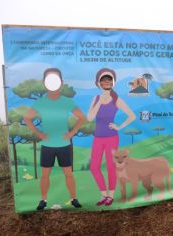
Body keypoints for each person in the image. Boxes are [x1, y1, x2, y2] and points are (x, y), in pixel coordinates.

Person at [24, 68, 85, 211]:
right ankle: (43, 200)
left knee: (68, 174)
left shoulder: (67, 101)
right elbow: (27, 118)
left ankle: (74, 199)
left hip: (64, 145)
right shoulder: (40, 102)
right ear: (44, 83)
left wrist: (72, 133)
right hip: (47, 145)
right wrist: (38, 133)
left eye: (55, 79)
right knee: (45, 175)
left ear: (61, 82)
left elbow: (81, 117)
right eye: (49, 80)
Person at [87, 68, 136, 206]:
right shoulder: (95, 98)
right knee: (94, 167)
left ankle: (111, 196)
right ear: (99, 83)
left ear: (113, 82)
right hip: (98, 137)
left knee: (110, 167)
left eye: (109, 80)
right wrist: (99, 102)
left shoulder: (116, 99)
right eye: (103, 80)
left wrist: (119, 127)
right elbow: (90, 118)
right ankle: (104, 194)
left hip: (112, 138)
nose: (106, 82)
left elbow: (132, 115)